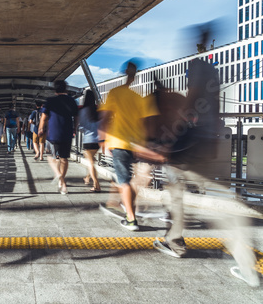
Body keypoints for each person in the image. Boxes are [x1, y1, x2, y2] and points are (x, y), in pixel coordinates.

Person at [152, 29, 259, 286]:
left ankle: (175, 243)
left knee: (176, 192)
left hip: (188, 146)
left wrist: (168, 138)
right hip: (208, 143)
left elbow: (190, 101)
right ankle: (247, 265)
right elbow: (215, 108)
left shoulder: (197, 67)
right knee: (221, 200)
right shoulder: (215, 73)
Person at [98, 61, 161, 230]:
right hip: (137, 144)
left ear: (125, 71)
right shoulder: (139, 98)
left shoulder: (115, 93)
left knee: (124, 181)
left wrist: (103, 139)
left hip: (119, 142)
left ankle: (131, 219)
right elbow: (149, 122)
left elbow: (105, 118)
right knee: (130, 180)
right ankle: (128, 208)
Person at [39, 80, 78, 194]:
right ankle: (62, 182)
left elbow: (44, 116)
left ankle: (59, 176)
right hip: (67, 132)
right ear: (66, 89)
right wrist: (75, 128)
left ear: (54, 90)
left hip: (53, 133)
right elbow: (76, 116)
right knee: (64, 158)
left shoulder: (50, 101)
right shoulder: (72, 101)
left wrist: (41, 128)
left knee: (51, 157)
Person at [78, 89, 101, 193]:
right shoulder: (98, 110)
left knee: (91, 163)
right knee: (91, 161)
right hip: (97, 141)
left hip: (88, 140)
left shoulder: (83, 111)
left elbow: (81, 127)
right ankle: (87, 177)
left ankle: (96, 185)